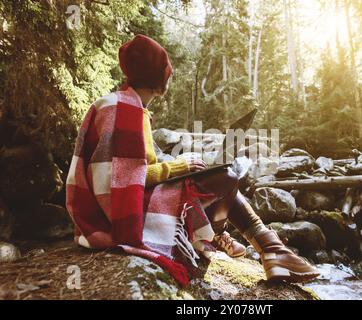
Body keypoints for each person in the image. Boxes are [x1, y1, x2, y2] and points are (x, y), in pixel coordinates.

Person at [66, 34, 319, 286]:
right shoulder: (122, 110)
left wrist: (184, 166)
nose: (169, 75)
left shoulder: (127, 106)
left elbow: (131, 170)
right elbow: (121, 180)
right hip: (119, 214)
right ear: (158, 78)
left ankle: (268, 250)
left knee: (223, 173)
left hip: (125, 202)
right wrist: (178, 167)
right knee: (227, 177)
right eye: (166, 70)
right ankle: (264, 249)